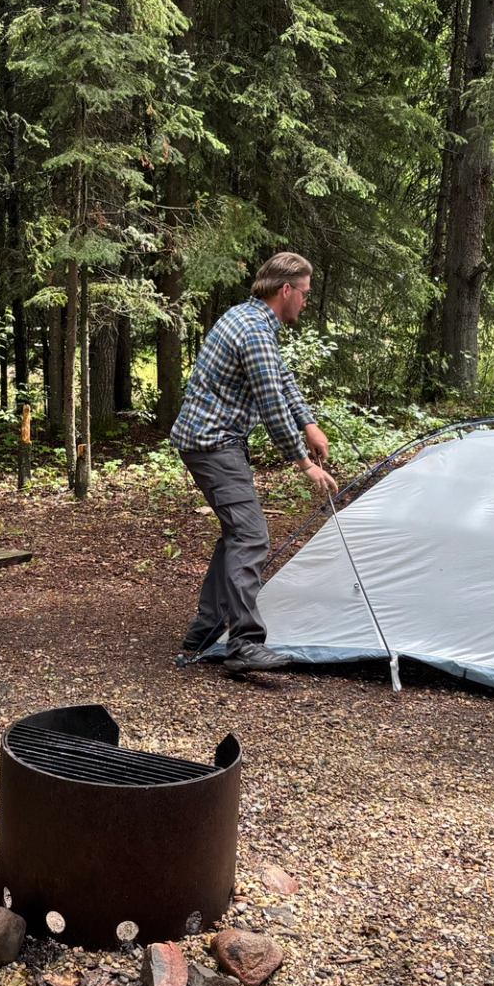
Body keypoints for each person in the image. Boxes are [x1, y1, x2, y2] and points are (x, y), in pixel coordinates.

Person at [171, 252, 339, 675]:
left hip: (211, 442)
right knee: (250, 536)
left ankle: (206, 629)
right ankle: (244, 644)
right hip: (213, 445)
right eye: (304, 293)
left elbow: (281, 381)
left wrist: (311, 424)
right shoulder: (253, 331)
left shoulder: (252, 320)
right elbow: (269, 403)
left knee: (235, 534)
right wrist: (304, 464)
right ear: (286, 290)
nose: (305, 301)